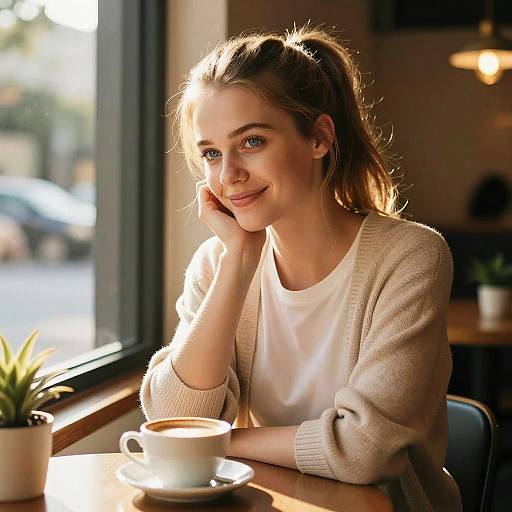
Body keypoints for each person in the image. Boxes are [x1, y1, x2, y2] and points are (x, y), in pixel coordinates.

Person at [140, 25, 462, 511]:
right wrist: (240, 261)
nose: (228, 176)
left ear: (319, 137)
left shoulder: (410, 257)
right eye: (211, 153)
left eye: (251, 142)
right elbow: (173, 415)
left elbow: (363, 452)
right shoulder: (218, 262)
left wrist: (218, 444)